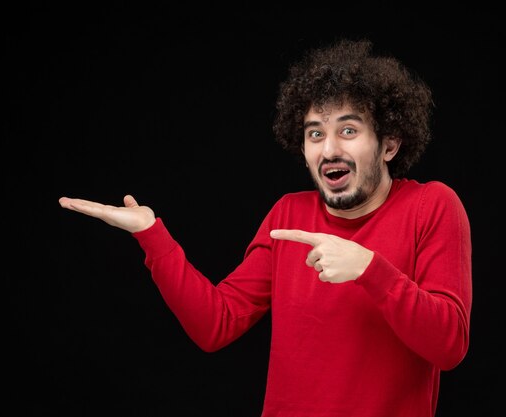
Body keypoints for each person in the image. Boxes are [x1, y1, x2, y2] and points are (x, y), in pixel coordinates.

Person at [59, 38, 472, 417]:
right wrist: (151, 234)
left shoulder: (431, 206)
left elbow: (449, 345)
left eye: (348, 130)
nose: (329, 149)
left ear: (389, 144)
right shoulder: (288, 215)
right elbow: (215, 324)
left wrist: (369, 269)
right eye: (315, 133)